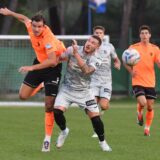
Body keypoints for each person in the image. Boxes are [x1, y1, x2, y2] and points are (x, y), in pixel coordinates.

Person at [0, 7, 66, 151]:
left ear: (44, 26)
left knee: (49, 105)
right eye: (35, 26)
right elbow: (24, 18)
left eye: (39, 26)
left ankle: (47, 139)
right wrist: (10, 13)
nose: (36, 29)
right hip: (39, 63)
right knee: (23, 96)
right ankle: (41, 85)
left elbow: (53, 61)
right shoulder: (31, 26)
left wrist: (31, 68)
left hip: (52, 68)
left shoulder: (48, 38)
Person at [53, 36, 112, 152]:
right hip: (67, 89)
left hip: (85, 92)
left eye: (93, 43)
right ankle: (64, 131)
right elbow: (57, 59)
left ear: (97, 47)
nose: (89, 43)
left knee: (96, 119)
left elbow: (87, 71)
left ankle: (103, 142)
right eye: (89, 41)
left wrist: (76, 55)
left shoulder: (97, 58)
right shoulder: (72, 49)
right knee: (57, 112)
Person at [123, 25, 160, 136]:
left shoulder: (155, 49)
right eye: (142, 33)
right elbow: (125, 60)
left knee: (150, 106)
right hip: (137, 80)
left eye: (146, 33)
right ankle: (139, 112)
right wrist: (131, 71)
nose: (144, 35)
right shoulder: (133, 47)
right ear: (139, 35)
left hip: (150, 81)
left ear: (149, 35)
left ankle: (147, 129)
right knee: (142, 102)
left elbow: (158, 62)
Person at [90, 26, 121, 137]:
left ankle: (105, 106)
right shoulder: (89, 47)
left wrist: (117, 64)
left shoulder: (109, 47)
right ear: (93, 34)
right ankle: (96, 129)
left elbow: (116, 59)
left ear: (103, 35)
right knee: (92, 106)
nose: (98, 34)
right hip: (93, 81)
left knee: (103, 105)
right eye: (96, 32)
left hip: (106, 82)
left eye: (100, 33)